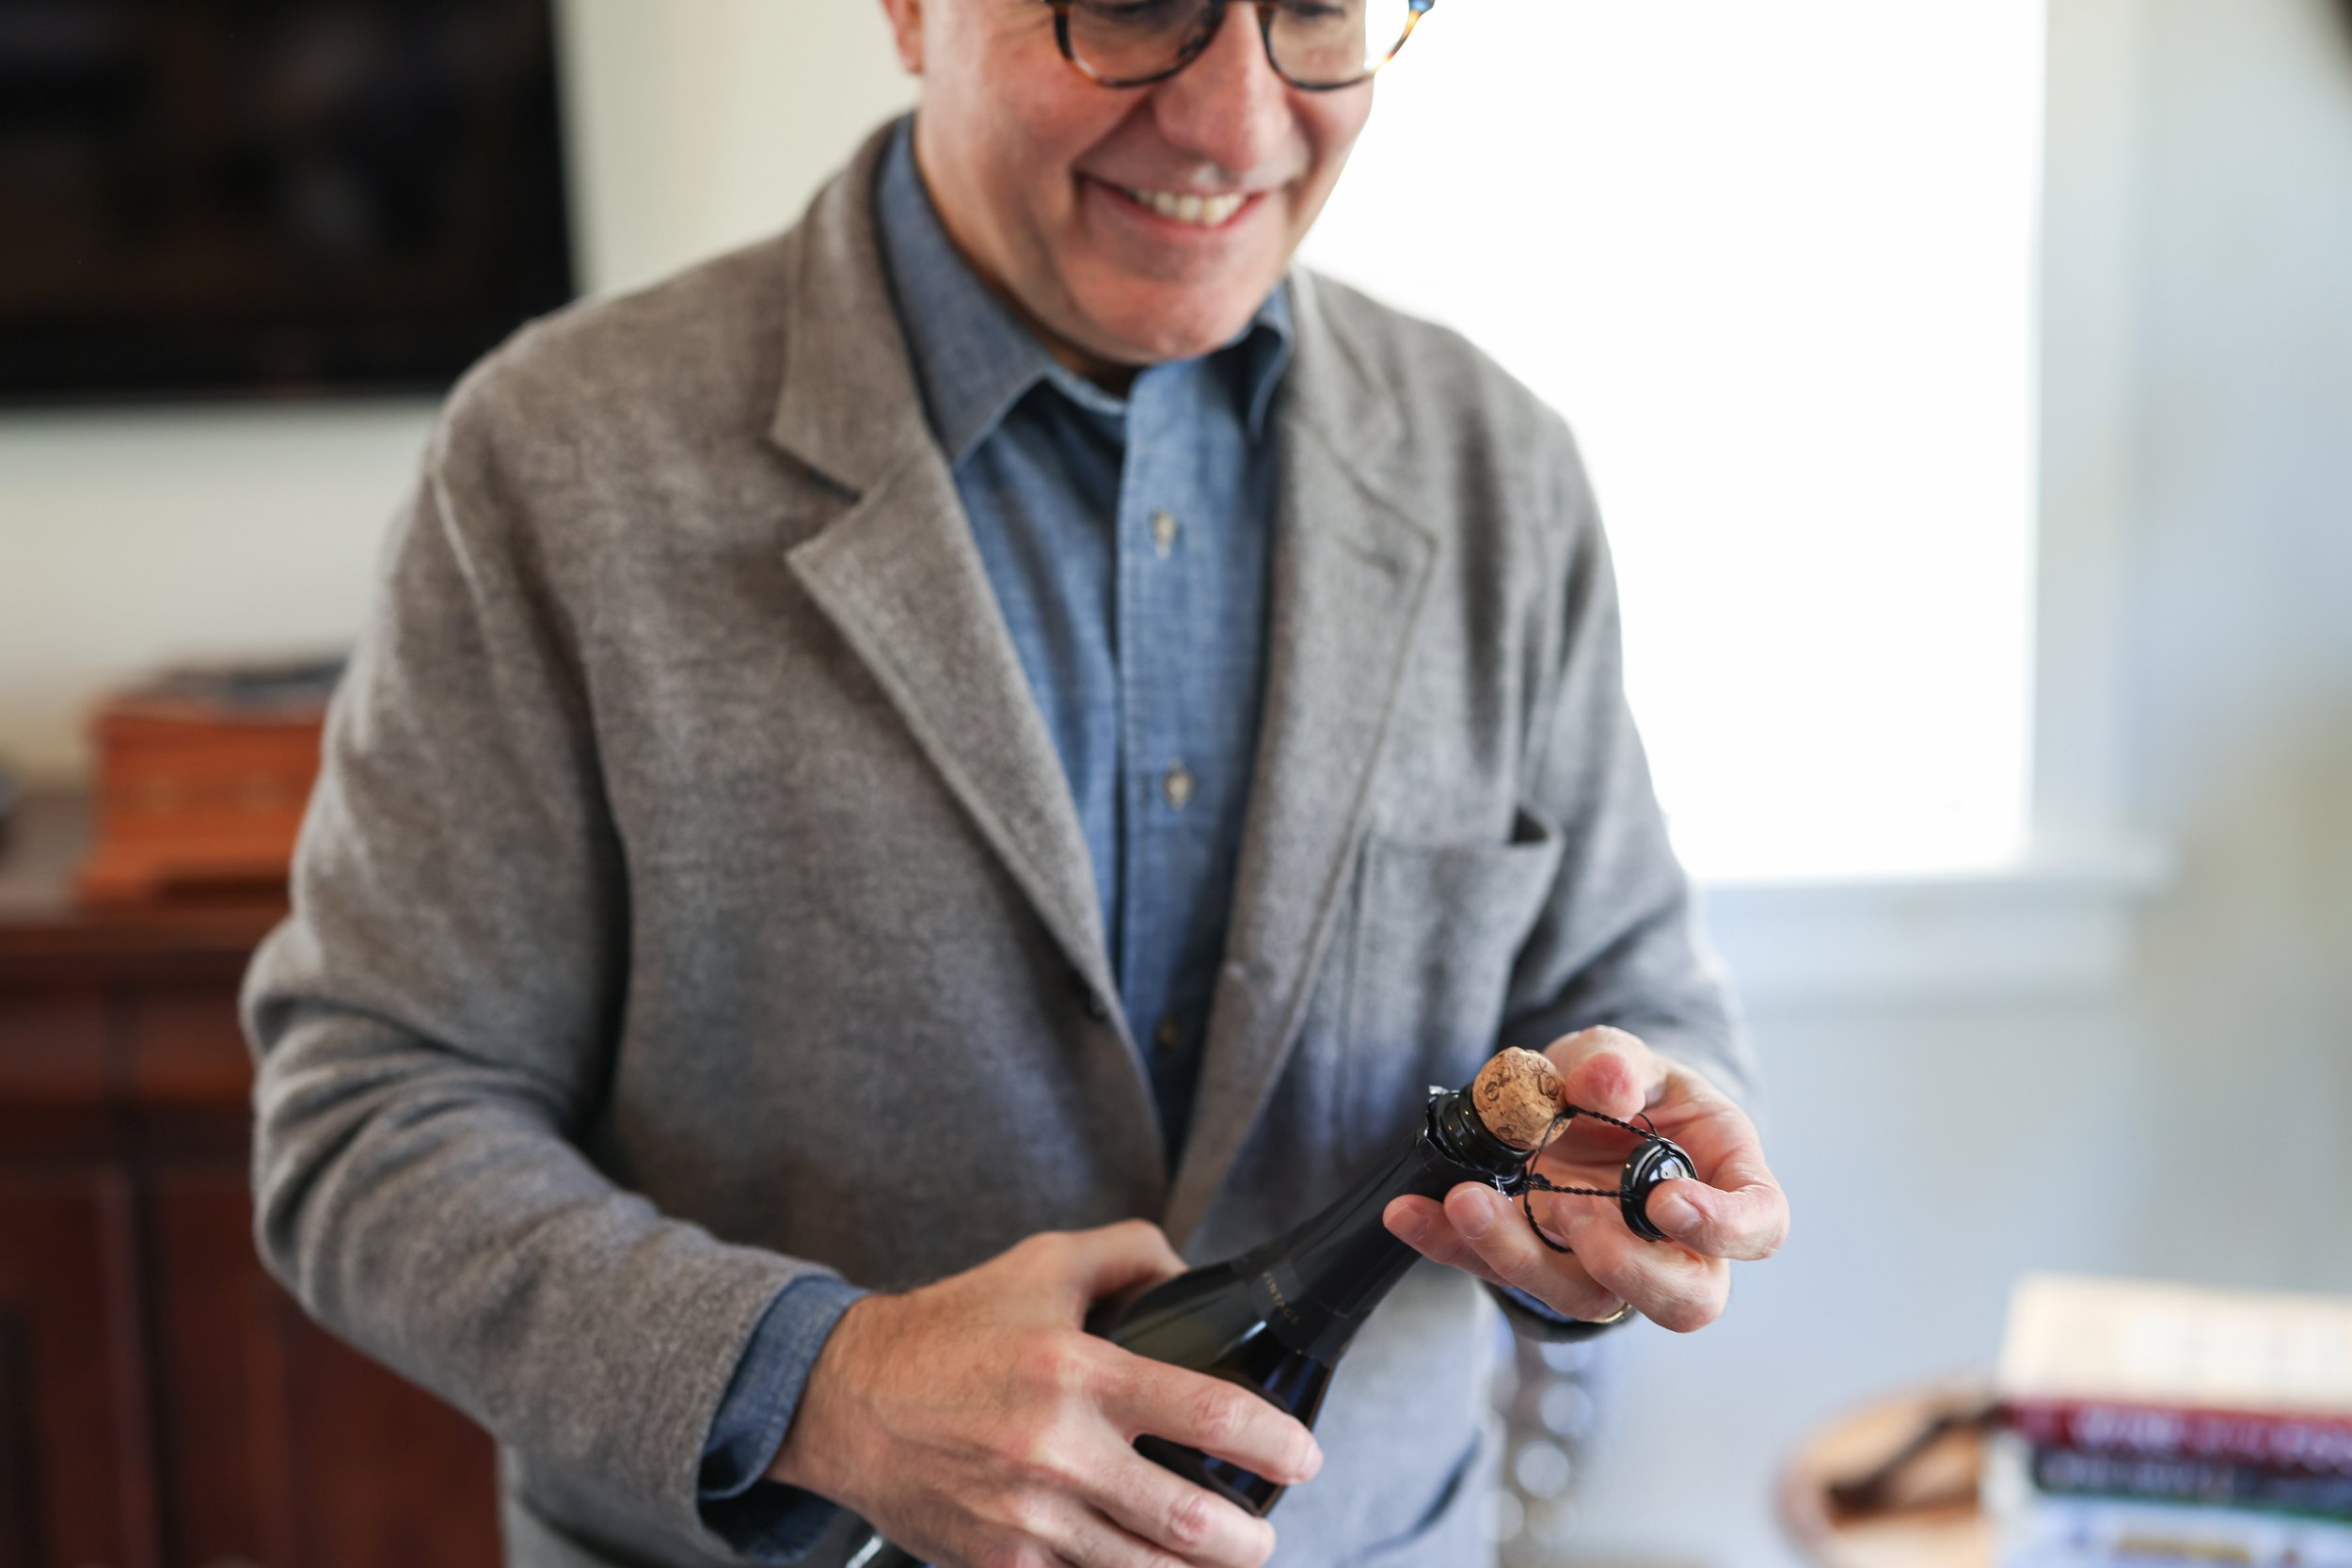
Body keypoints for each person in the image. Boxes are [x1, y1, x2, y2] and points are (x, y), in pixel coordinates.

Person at [241, 3, 1789, 1566]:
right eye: (1131, 5)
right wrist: (826, 1387)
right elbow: (364, 1120)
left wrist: (1634, 1158)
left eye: (1317, 6)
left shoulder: (1501, 469)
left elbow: (1630, 979)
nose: (1238, 126)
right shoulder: (551, 461)